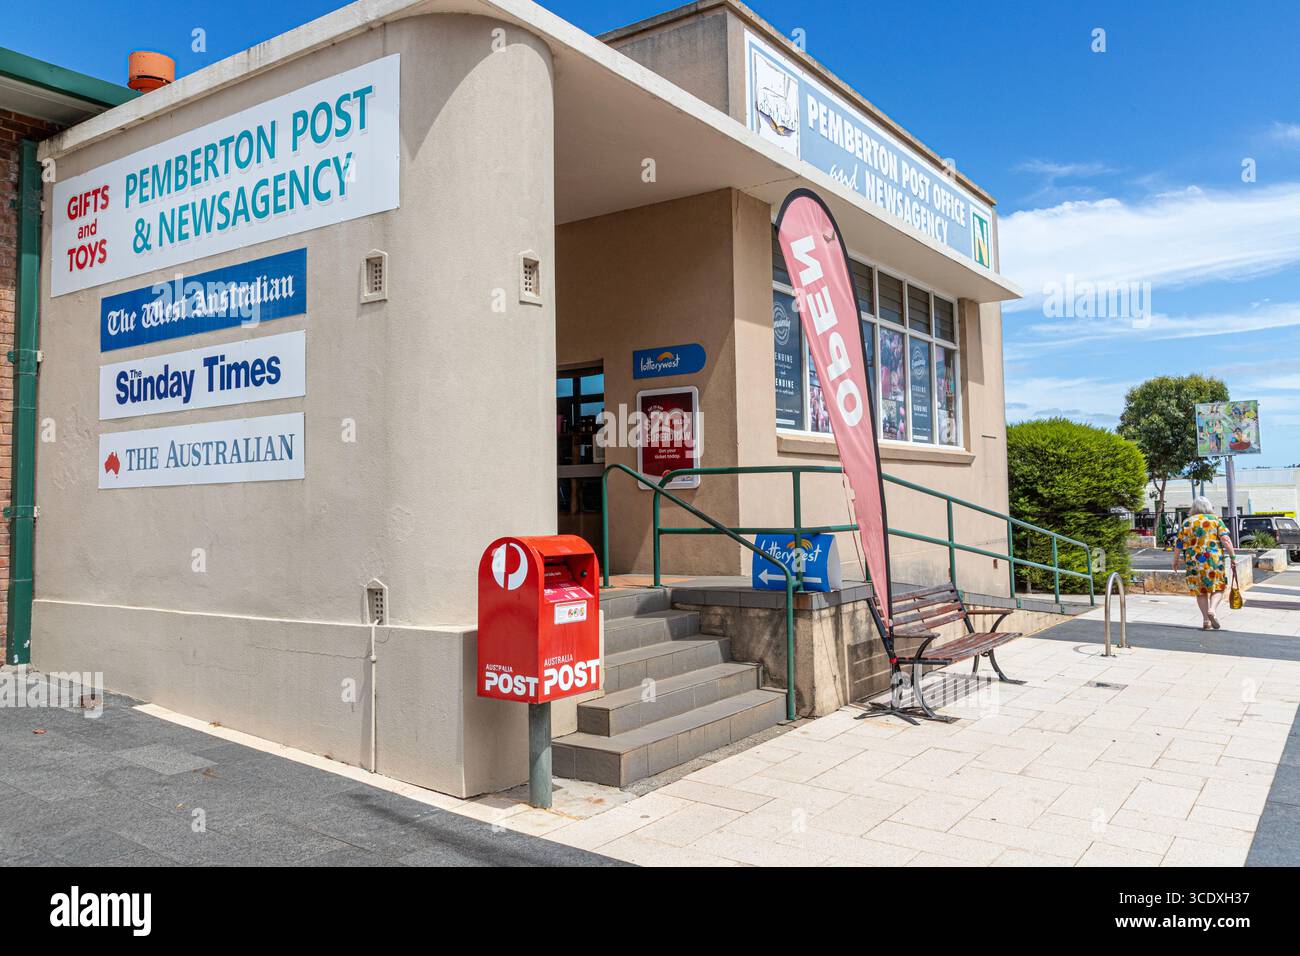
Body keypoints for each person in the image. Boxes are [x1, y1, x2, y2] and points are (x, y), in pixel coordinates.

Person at [1172, 497, 1237, 630]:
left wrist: (1175, 560)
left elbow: (1179, 543)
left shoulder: (1187, 522)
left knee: (1200, 591)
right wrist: (1233, 556)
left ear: (1194, 508)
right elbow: (1225, 539)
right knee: (1218, 587)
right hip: (1214, 561)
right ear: (1209, 507)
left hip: (1194, 561)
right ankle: (1212, 610)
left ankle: (1206, 621)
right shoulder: (1216, 520)